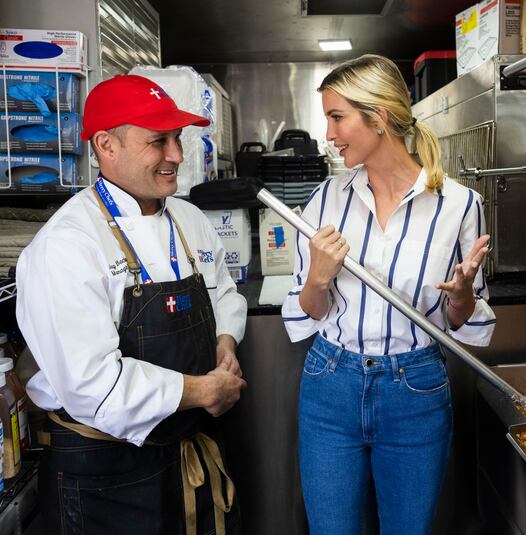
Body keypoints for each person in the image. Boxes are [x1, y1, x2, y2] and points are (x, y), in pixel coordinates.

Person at [15, 74, 247, 535]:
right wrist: (205, 392)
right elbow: (92, 384)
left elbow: (223, 292)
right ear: (106, 145)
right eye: (158, 141)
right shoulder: (66, 246)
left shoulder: (188, 218)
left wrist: (225, 344)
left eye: (177, 138)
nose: (176, 156)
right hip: (107, 477)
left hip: (188, 452)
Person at [281, 54, 496, 535]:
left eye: (338, 118)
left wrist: (460, 294)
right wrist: (318, 276)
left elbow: (459, 317)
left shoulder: (460, 206)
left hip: (415, 392)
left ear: (378, 117)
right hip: (330, 385)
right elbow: (310, 310)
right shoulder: (325, 200)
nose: (330, 135)